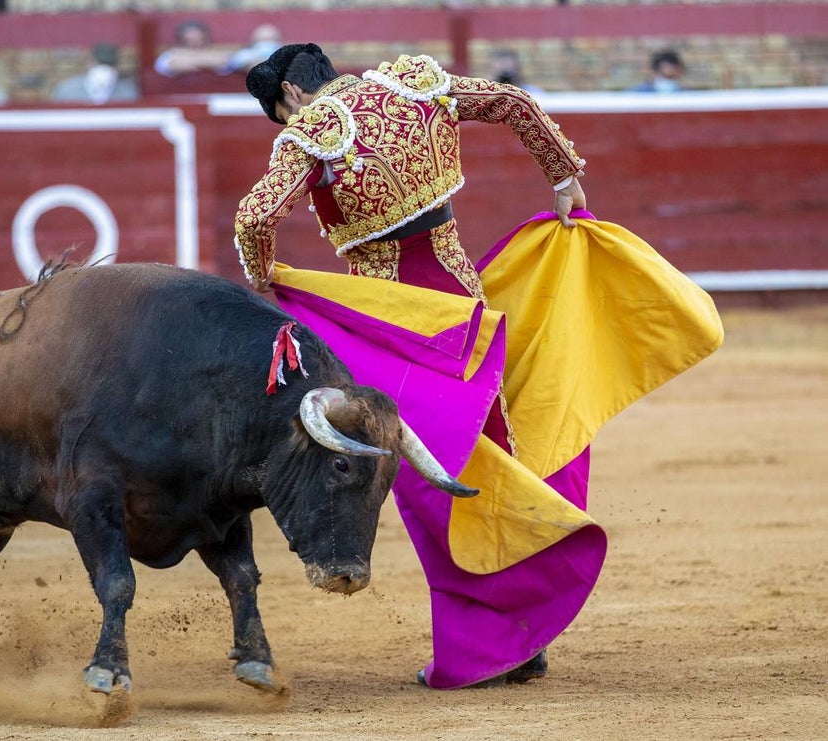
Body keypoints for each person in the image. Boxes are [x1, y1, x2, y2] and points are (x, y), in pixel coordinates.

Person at [234, 44, 720, 691]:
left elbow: (254, 216)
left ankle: (486, 645)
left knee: (435, 484)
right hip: (465, 312)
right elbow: (513, 102)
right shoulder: (413, 85)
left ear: (291, 94)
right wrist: (563, 175)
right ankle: (525, 637)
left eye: (279, 111)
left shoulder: (314, 133)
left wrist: (265, 274)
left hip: (397, 330)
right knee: (494, 452)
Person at [52, 42, 138, 105]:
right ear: (89, 63)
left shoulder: (128, 93)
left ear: (116, 67)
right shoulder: (67, 91)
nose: (103, 70)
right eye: (99, 64)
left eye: (109, 64)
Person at [153, 19, 229, 77]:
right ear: (182, 40)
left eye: (198, 39)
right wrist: (206, 62)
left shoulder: (217, 53)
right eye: (190, 40)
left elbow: (222, 63)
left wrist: (193, 61)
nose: (194, 43)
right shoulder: (169, 55)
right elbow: (173, 65)